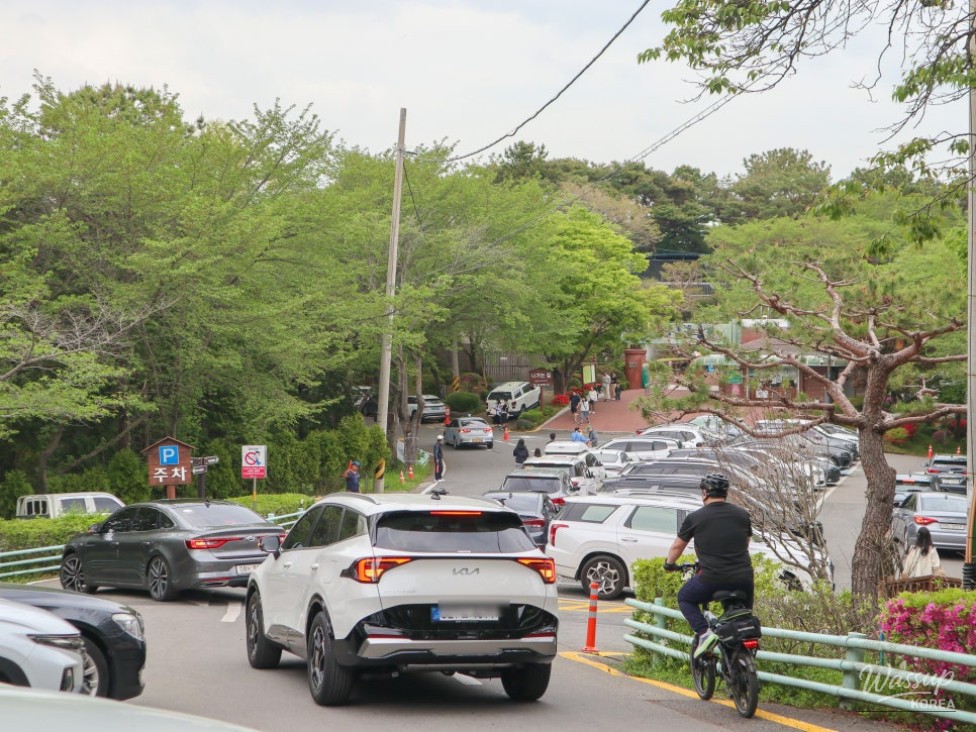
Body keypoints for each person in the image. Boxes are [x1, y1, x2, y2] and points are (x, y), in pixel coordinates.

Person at [664, 474, 754, 659]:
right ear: (726, 493)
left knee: (685, 598)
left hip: (713, 578)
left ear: (704, 493)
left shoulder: (696, 517)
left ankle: (705, 634)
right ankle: (742, 659)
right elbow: (745, 543)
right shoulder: (742, 515)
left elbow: (677, 546)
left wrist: (669, 564)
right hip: (744, 578)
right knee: (742, 619)